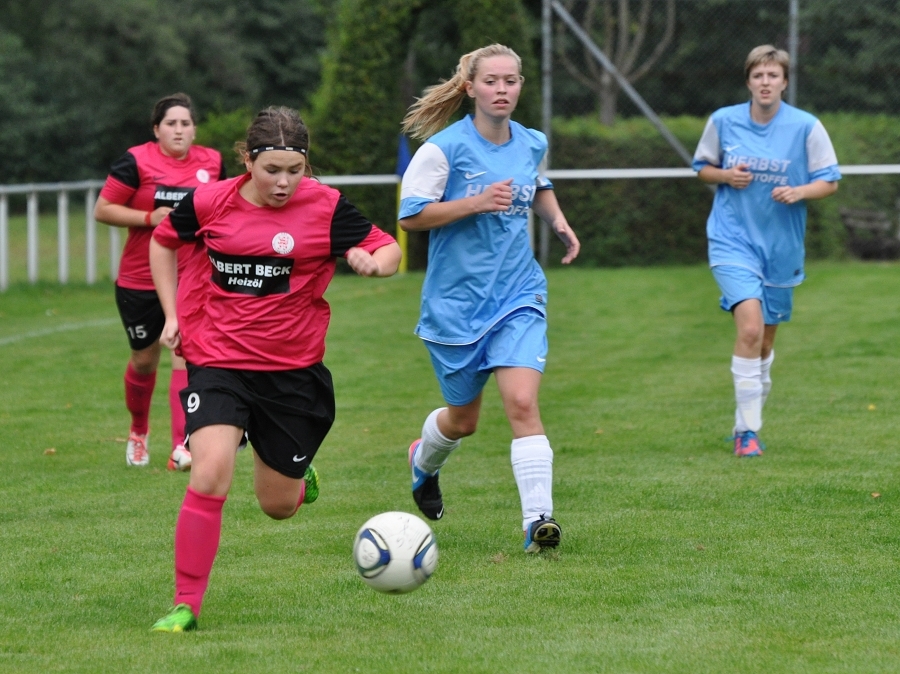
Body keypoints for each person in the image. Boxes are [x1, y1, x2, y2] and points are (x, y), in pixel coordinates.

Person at [147, 106, 401, 632]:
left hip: (291, 373)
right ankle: (185, 604)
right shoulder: (210, 201)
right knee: (210, 472)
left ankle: (298, 474)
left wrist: (376, 263)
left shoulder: (325, 206)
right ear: (247, 161)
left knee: (278, 506)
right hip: (218, 360)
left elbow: (388, 247)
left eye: (295, 170)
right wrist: (172, 315)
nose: (283, 183)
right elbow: (163, 241)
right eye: (271, 171)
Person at [398, 44, 580, 554]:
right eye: (491, 81)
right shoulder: (443, 149)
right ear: (470, 88)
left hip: (518, 293)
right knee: (464, 421)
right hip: (456, 306)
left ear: (521, 86)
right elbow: (410, 216)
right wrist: (475, 202)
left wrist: (558, 221)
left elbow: (536, 184)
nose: (502, 90)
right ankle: (423, 461)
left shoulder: (531, 141)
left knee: (522, 401)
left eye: (510, 81)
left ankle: (538, 522)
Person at [692, 45, 840, 457]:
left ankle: (744, 423)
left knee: (765, 343)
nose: (765, 82)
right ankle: (749, 434)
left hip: (781, 247)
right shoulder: (723, 121)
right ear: (748, 81)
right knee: (750, 329)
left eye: (773, 75)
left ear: (784, 82)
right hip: (731, 239)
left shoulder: (806, 127)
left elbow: (829, 181)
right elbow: (702, 168)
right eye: (758, 75)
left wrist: (800, 191)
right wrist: (725, 175)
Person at [95, 93, 226, 470]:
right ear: (156, 130)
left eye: (186, 123)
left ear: (195, 129)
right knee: (143, 360)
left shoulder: (212, 162)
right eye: (171, 124)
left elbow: (223, 207)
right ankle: (138, 431)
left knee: (183, 354)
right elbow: (103, 209)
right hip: (139, 279)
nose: (179, 130)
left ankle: (181, 446)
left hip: (190, 277)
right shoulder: (136, 161)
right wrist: (149, 218)